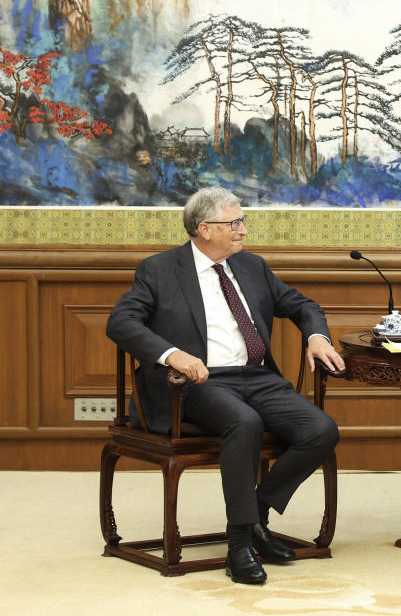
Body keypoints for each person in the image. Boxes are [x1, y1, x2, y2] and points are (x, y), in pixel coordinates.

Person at [106, 187, 345, 585]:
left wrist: (316, 336)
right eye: (234, 223)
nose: (243, 230)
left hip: (257, 378)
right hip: (196, 384)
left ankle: (253, 514)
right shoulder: (160, 270)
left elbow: (303, 305)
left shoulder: (252, 267)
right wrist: (172, 354)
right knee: (244, 422)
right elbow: (122, 323)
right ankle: (239, 547)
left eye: (242, 221)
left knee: (320, 430)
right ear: (204, 229)